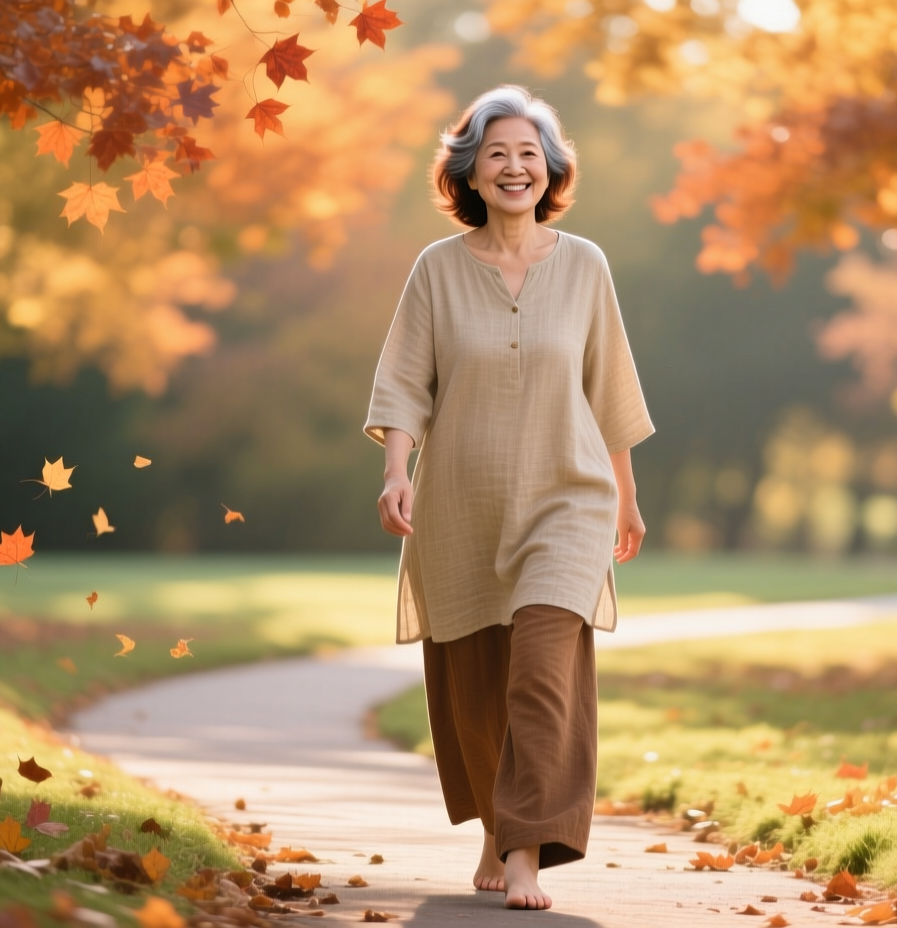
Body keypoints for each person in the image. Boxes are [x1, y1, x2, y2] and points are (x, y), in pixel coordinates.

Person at [364, 85, 655, 911]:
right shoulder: (437, 270)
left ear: (551, 169)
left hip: (569, 500)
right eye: (497, 154)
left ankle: (525, 850)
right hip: (462, 502)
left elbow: (612, 392)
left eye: (530, 153)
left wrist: (626, 499)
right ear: (470, 173)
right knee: (480, 681)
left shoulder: (586, 265)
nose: (515, 167)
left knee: (540, 675)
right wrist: (395, 472)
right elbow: (404, 383)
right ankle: (500, 819)